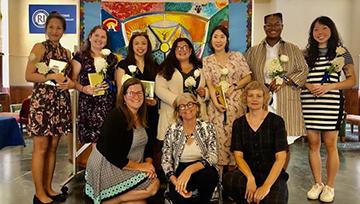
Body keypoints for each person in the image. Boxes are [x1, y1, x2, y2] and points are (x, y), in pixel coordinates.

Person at [301, 16, 356, 203]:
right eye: (316, 29)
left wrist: (328, 87)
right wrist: (308, 85)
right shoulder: (306, 53)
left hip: (331, 102)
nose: (320, 33)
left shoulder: (342, 52)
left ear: (331, 30)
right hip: (309, 102)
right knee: (313, 144)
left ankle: (330, 186)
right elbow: (299, 77)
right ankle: (317, 183)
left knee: (330, 144)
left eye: (324, 28)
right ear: (312, 33)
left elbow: (351, 80)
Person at [85, 78, 160, 204]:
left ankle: (114, 200)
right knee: (153, 186)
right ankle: (114, 199)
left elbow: (148, 147)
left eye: (139, 92)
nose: (136, 96)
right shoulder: (116, 117)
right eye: (131, 93)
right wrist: (141, 166)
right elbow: (112, 154)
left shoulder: (145, 116)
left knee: (140, 202)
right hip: (108, 166)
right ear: (124, 97)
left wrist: (149, 165)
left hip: (128, 163)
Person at [25, 12, 74, 204]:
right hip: (42, 103)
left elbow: (68, 78)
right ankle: (39, 193)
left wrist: (67, 82)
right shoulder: (39, 47)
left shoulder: (66, 53)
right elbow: (28, 75)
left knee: (53, 147)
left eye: (59, 28)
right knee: (41, 147)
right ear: (46, 28)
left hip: (60, 102)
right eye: (51, 27)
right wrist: (50, 77)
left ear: (63, 30)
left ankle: (48, 188)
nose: (55, 31)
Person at [245, 12, 308, 141]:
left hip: (286, 98)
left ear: (282, 26)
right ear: (264, 27)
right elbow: (247, 74)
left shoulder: (293, 48)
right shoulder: (253, 51)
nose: (273, 28)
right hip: (262, 101)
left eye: (277, 24)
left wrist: (285, 80)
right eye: (269, 25)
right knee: (263, 139)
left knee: (285, 141)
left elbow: (304, 71)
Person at [223, 81, 289, 204]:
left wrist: (266, 187)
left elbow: (281, 158)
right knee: (229, 180)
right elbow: (238, 156)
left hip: (271, 175)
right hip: (248, 173)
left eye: (258, 96)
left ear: (264, 98)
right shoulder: (239, 123)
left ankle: (258, 195)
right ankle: (249, 197)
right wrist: (250, 177)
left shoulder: (277, 121)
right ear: (245, 98)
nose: (254, 99)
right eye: (250, 95)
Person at [203, 25, 251, 174]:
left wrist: (234, 86)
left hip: (237, 107)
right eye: (215, 37)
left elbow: (248, 76)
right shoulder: (207, 60)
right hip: (217, 108)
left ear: (227, 39)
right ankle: (218, 184)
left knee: (236, 143)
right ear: (210, 40)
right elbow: (210, 84)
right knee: (217, 144)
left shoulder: (237, 56)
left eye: (222, 37)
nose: (218, 40)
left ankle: (234, 183)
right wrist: (216, 102)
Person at [162, 93, 219, 204]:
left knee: (208, 176)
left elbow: (213, 156)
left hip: (202, 168)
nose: (186, 108)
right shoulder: (172, 129)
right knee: (179, 198)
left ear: (197, 107)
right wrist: (176, 182)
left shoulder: (207, 127)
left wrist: (190, 170)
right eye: (182, 106)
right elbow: (166, 161)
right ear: (178, 111)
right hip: (179, 170)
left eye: (190, 104)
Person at [115, 32, 159, 169]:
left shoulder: (154, 65)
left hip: (149, 111)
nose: (140, 46)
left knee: (149, 141)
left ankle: (148, 171)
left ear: (148, 46)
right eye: (137, 43)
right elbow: (120, 91)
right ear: (131, 46)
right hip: (130, 113)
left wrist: (155, 101)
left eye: (144, 43)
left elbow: (157, 90)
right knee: (131, 141)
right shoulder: (123, 64)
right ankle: (132, 170)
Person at [71, 25, 118, 145]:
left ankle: (104, 164)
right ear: (90, 37)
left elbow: (115, 81)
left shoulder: (112, 58)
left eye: (103, 37)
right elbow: (72, 80)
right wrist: (83, 88)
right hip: (88, 105)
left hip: (107, 104)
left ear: (107, 41)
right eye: (96, 35)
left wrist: (110, 85)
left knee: (107, 141)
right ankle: (93, 164)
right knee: (93, 142)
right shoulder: (80, 56)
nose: (99, 39)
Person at [155, 37, 208, 142]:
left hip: (196, 114)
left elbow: (209, 85)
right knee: (173, 148)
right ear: (173, 51)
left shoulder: (201, 68)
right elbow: (159, 89)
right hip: (172, 114)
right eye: (178, 48)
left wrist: (205, 92)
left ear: (190, 50)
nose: (181, 50)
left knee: (196, 147)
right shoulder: (166, 69)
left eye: (184, 47)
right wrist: (179, 101)